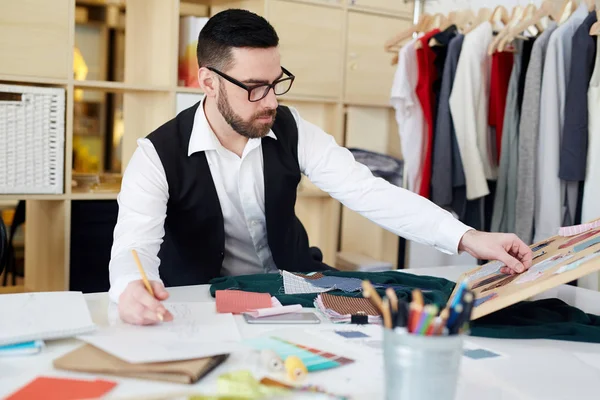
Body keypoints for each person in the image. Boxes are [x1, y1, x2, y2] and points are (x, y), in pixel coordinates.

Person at [109, 9, 533, 325]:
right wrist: (130, 288)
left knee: (404, 319)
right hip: (206, 304)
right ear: (207, 82)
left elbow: (370, 192)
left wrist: (468, 237)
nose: (272, 101)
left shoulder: (292, 130)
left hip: (302, 293)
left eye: (276, 83)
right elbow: (134, 244)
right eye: (255, 88)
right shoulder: (157, 155)